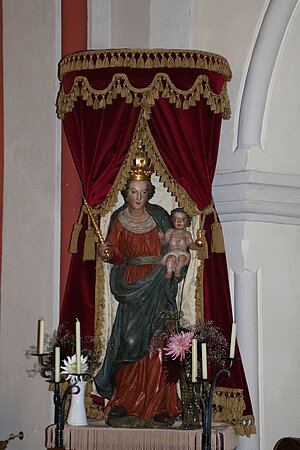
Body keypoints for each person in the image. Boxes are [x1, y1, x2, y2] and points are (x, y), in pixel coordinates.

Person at [93, 153, 185, 425]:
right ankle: (124, 402)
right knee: (130, 342)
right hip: (133, 286)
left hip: (159, 283)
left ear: (149, 193)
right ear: (126, 193)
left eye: (143, 192)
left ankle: (161, 405)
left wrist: (173, 254)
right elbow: (117, 254)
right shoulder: (119, 220)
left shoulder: (159, 216)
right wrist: (108, 253)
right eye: (133, 191)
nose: (138, 196)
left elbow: (176, 246)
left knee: (157, 347)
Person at [159, 208, 198, 279]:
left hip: (182, 253)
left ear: (187, 222)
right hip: (172, 252)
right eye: (175, 219)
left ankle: (177, 270)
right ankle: (169, 272)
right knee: (171, 259)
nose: (179, 222)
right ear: (172, 220)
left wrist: (197, 246)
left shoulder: (187, 234)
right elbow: (164, 242)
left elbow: (191, 245)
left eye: (183, 219)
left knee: (182, 258)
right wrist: (162, 237)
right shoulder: (170, 231)